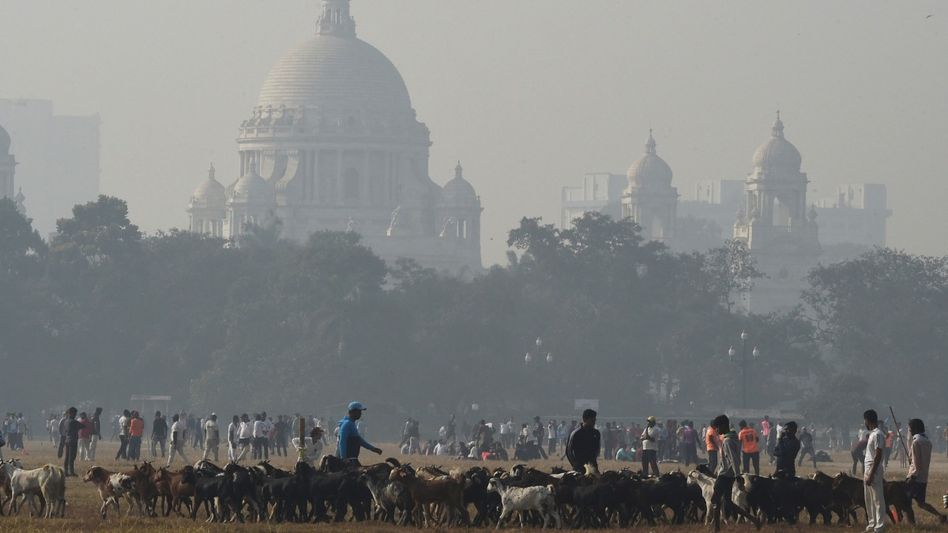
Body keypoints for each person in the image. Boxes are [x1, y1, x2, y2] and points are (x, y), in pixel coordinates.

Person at [709, 414, 760, 532]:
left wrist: (738, 475)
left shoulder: (727, 441)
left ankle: (716, 528)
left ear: (723, 426)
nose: (716, 430)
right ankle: (753, 519)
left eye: (717, 427)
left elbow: (734, 460)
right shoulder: (734, 438)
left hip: (725, 475)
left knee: (714, 499)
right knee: (728, 502)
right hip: (729, 475)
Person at [906, 418, 947, 522]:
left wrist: (912, 477)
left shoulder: (916, 442)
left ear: (914, 429)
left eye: (910, 429)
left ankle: (911, 524)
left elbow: (916, 464)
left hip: (915, 476)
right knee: (921, 503)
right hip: (923, 477)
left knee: (906, 501)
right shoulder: (927, 441)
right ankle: (940, 516)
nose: (909, 431)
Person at [863, 409, 886, 533]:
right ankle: (872, 524)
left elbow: (878, 454)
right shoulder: (872, 434)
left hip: (874, 469)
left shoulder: (878, 434)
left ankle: (879, 527)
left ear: (867, 420)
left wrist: (871, 473)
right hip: (868, 469)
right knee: (869, 499)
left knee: (877, 499)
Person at [565, 409, 601, 473]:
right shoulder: (576, 433)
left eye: (594, 420)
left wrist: (592, 462)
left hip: (592, 466)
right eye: (592, 420)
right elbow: (568, 451)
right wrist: (575, 465)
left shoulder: (596, 433)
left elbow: (597, 449)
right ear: (585, 419)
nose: (594, 422)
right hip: (579, 467)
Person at [62, 407, 82, 476]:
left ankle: (65, 471)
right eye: (75, 413)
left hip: (67, 440)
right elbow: (82, 426)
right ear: (72, 413)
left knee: (67, 457)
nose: (75, 415)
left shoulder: (66, 421)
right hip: (73, 440)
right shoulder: (73, 421)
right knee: (72, 457)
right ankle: (71, 471)